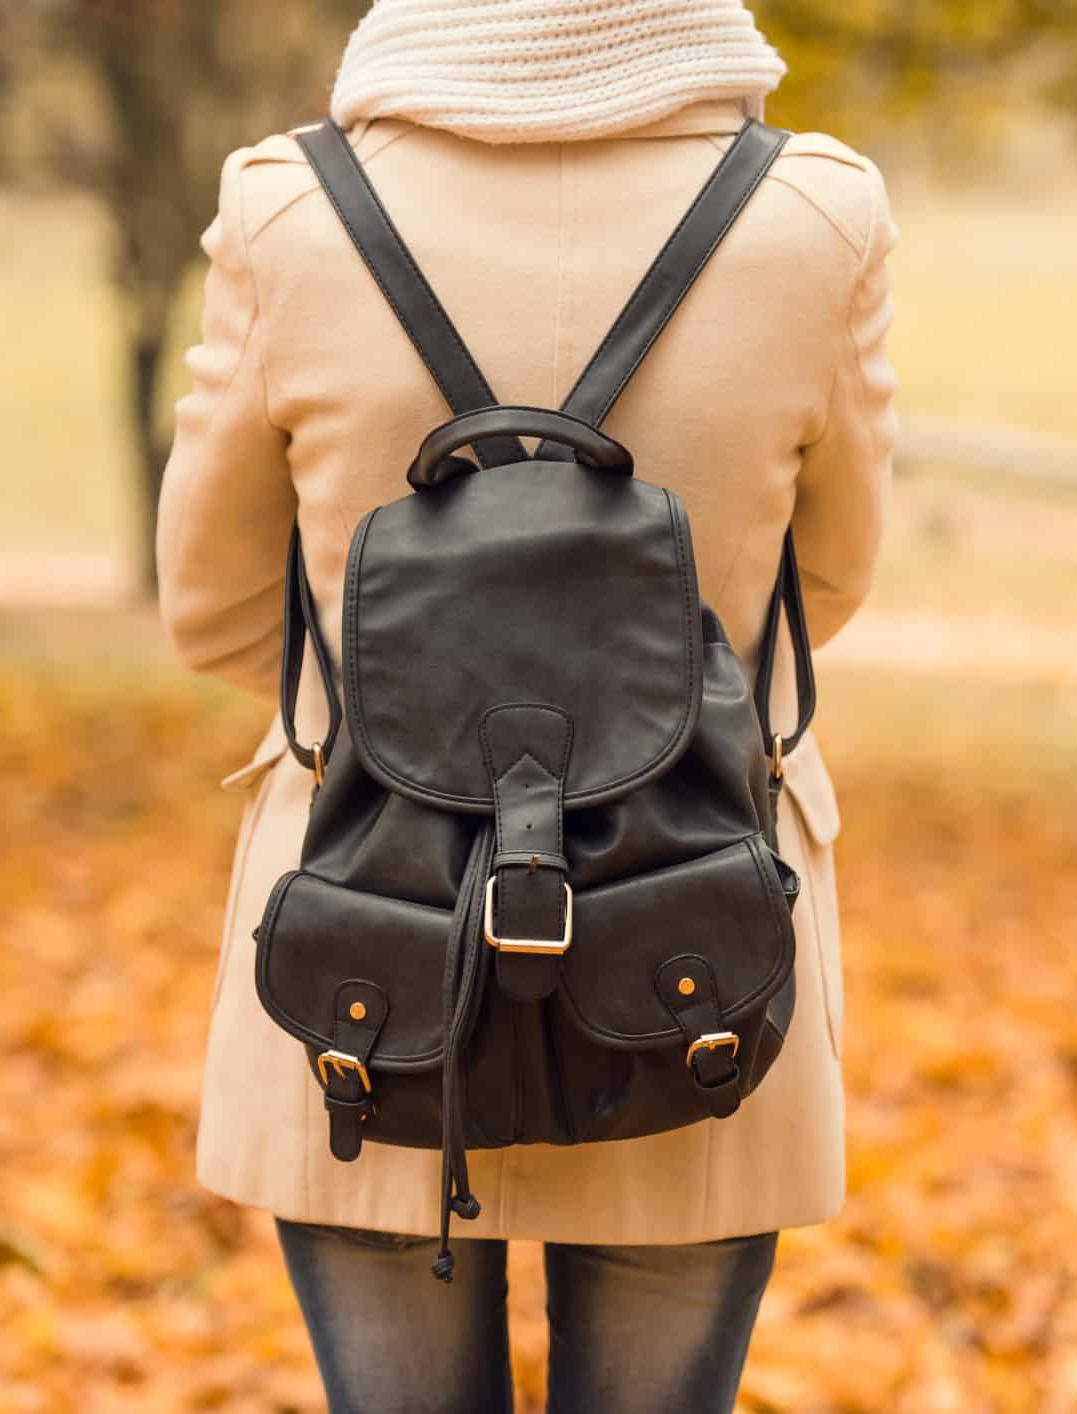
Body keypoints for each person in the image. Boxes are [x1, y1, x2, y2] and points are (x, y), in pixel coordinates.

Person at [154, 2, 894, 1408]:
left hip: (366, 928)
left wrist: (429, 722)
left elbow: (217, 611)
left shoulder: (291, 211)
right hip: (698, 923)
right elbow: (823, 588)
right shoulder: (814, 216)